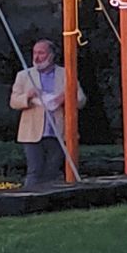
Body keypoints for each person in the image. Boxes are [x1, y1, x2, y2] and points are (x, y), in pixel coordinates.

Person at [11, 38, 85, 189]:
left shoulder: (66, 74)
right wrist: (28, 96)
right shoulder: (24, 76)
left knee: (52, 170)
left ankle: (50, 201)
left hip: (58, 131)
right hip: (32, 133)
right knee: (34, 170)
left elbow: (81, 100)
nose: (37, 57)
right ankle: (29, 200)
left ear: (51, 55)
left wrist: (66, 97)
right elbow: (13, 101)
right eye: (35, 53)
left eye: (41, 53)